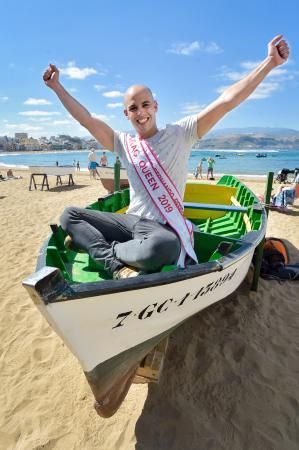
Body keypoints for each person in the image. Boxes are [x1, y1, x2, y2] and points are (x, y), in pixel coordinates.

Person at [43, 35, 289, 280]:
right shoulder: (123, 143)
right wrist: (57, 88)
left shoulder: (181, 133)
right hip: (129, 222)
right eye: (133, 108)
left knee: (166, 247)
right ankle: (115, 264)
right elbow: (86, 119)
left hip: (160, 229)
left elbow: (226, 102)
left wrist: (269, 62)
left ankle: (101, 249)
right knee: (69, 215)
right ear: (126, 113)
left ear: (156, 106)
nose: (141, 112)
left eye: (145, 104)